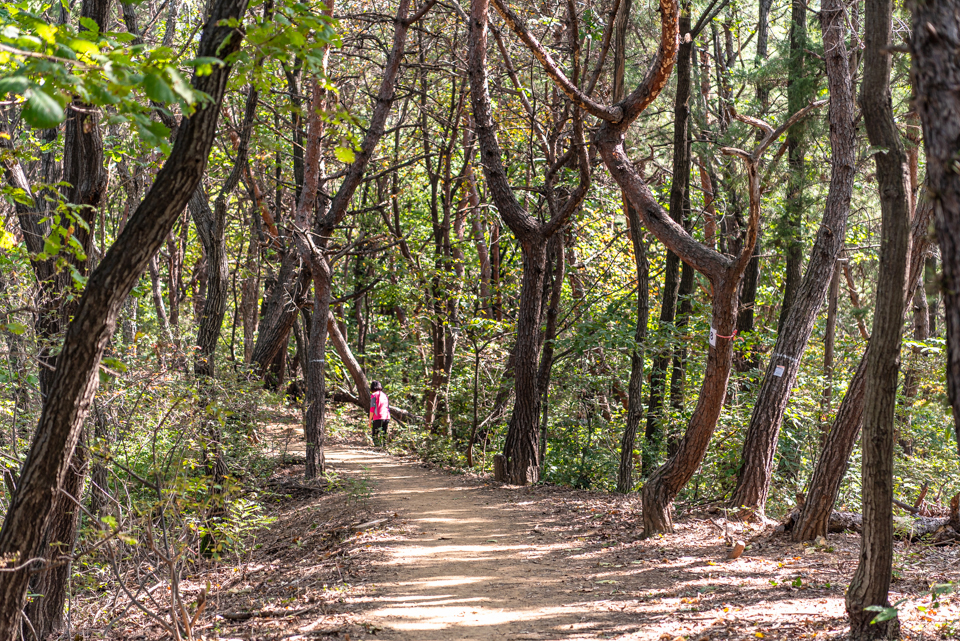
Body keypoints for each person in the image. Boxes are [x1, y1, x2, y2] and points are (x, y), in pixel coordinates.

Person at [369, 380, 390, 447]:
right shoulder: (385, 395)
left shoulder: (373, 395)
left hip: (378, 417)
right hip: (386, 417)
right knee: (384, 434)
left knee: (374, 435)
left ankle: (378, 447)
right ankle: (384, 447)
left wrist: (370, 420)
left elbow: (372, 408)